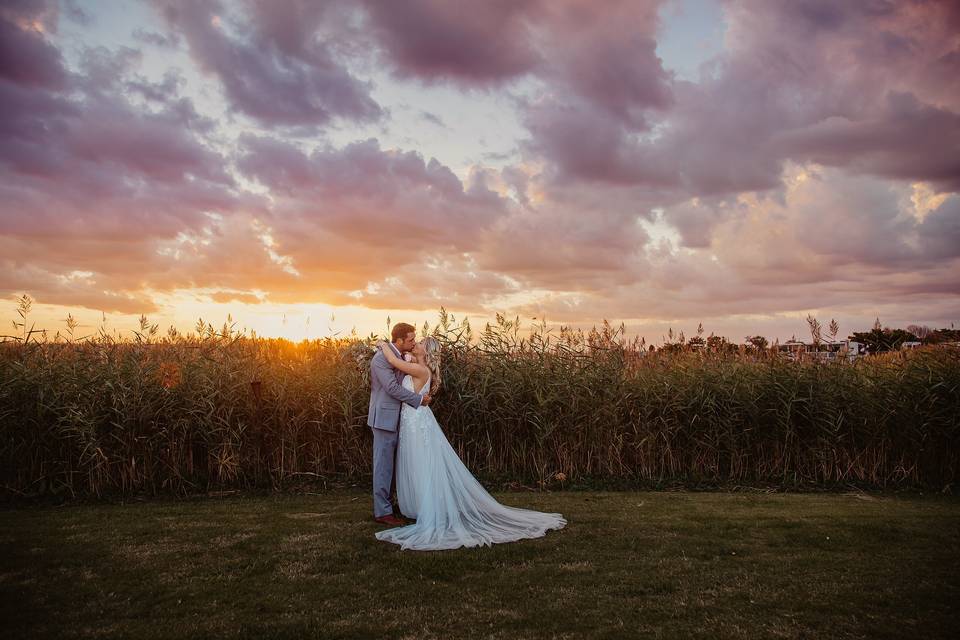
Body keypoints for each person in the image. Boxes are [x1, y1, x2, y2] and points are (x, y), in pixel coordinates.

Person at [373, 336, 567, 550]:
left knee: (421, 463)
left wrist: (383, 346)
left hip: (416, 422)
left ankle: (423, 506)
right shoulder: (418, 365)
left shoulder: (419, 370)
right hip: (414, 421)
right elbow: (403, 359)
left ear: (425, 352)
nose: (415, 343)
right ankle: (419, 505)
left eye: (418, 343)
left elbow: (393, 361)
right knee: (417, 463)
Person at [368, 323, 431, 525]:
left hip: (402, 419)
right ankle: (382, 513)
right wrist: (419, 400)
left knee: (399, 466)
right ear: (399, 340)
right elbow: (392, 388)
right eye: (411, 339)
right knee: (383, 466)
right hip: (385, 419)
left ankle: (394, 504)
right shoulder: (380, 359)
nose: (414, 342)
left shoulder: (400, 357)